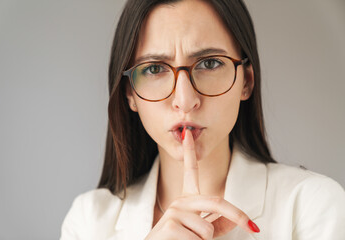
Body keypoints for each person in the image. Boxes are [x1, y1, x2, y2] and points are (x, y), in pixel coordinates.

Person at [60, 0, 345, 239]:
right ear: (129, 94)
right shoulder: (88, 222)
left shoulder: (313, 205)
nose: (185, 100)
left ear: (246, 81)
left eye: (209, 63)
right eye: (155, 68)